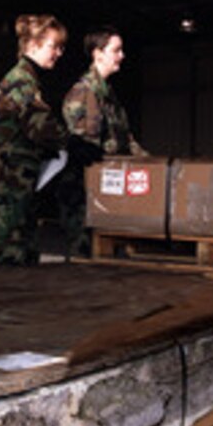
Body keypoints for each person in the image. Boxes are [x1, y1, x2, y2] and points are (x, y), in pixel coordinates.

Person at [0, 14, 69, 266]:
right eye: (54, 46)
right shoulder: (21, 79)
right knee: (9, 252)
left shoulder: (30, 79)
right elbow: (37, 122)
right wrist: (69, 142)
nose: (59, 52)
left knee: (24, 250)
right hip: (7, 176)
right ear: (32, 45)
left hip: (19, 177)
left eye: (62, 47)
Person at [58, 26, 147, 258]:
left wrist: (154, 166)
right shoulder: (84, 94)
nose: (122, 56)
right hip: (86, 196)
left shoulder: (108, 95)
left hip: (107, 193)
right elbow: (87, 152)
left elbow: (126, 140)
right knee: (86, 262)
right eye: (116, 50)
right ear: (98, 54)